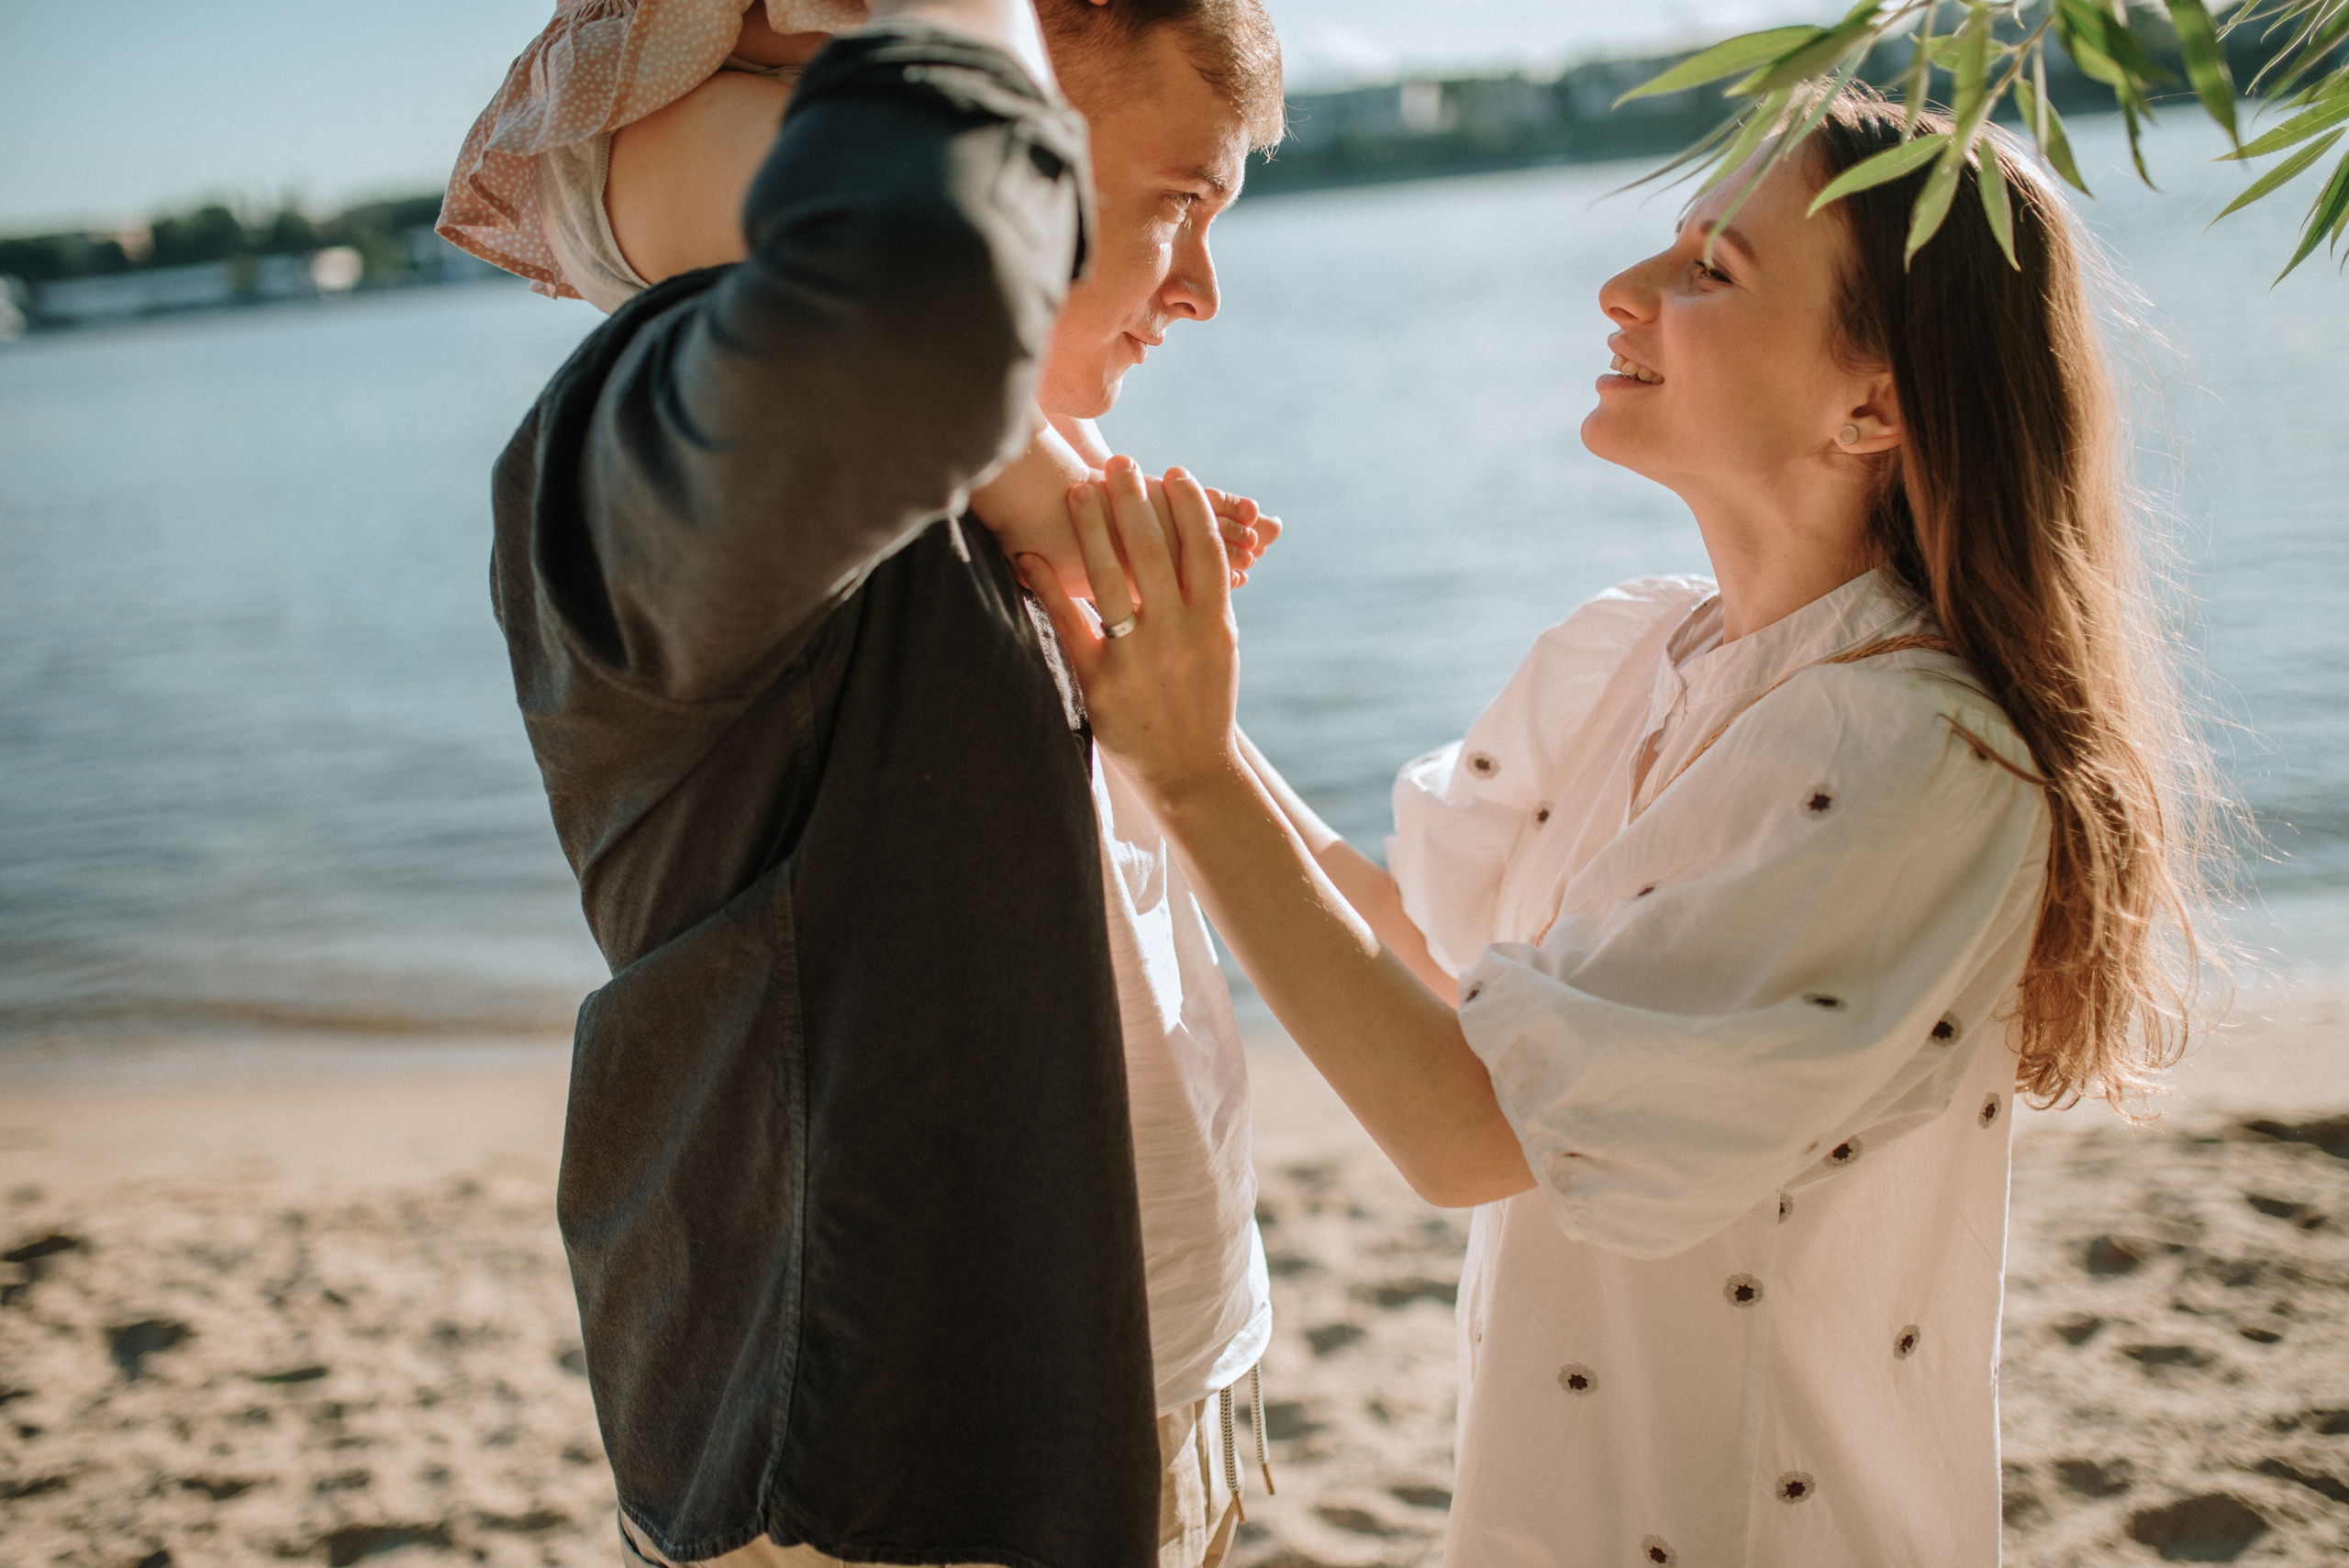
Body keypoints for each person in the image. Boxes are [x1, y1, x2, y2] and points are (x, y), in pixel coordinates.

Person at [1023, 91, 2217, 1563]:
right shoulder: (1636, 656)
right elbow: (1422, 951)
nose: (1624, 291)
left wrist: (1195, 770)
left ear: (1875, 405)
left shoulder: (1925, 767)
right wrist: (1152, 681)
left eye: (1711, 271)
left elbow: (1468, 1125)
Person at [443, 0, 1283, 1564]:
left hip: (1138, 1397)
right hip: (885, 1476)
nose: (1206, 291)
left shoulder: (1011, 483)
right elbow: (932, 270)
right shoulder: (639, 443)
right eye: (1177, 204)